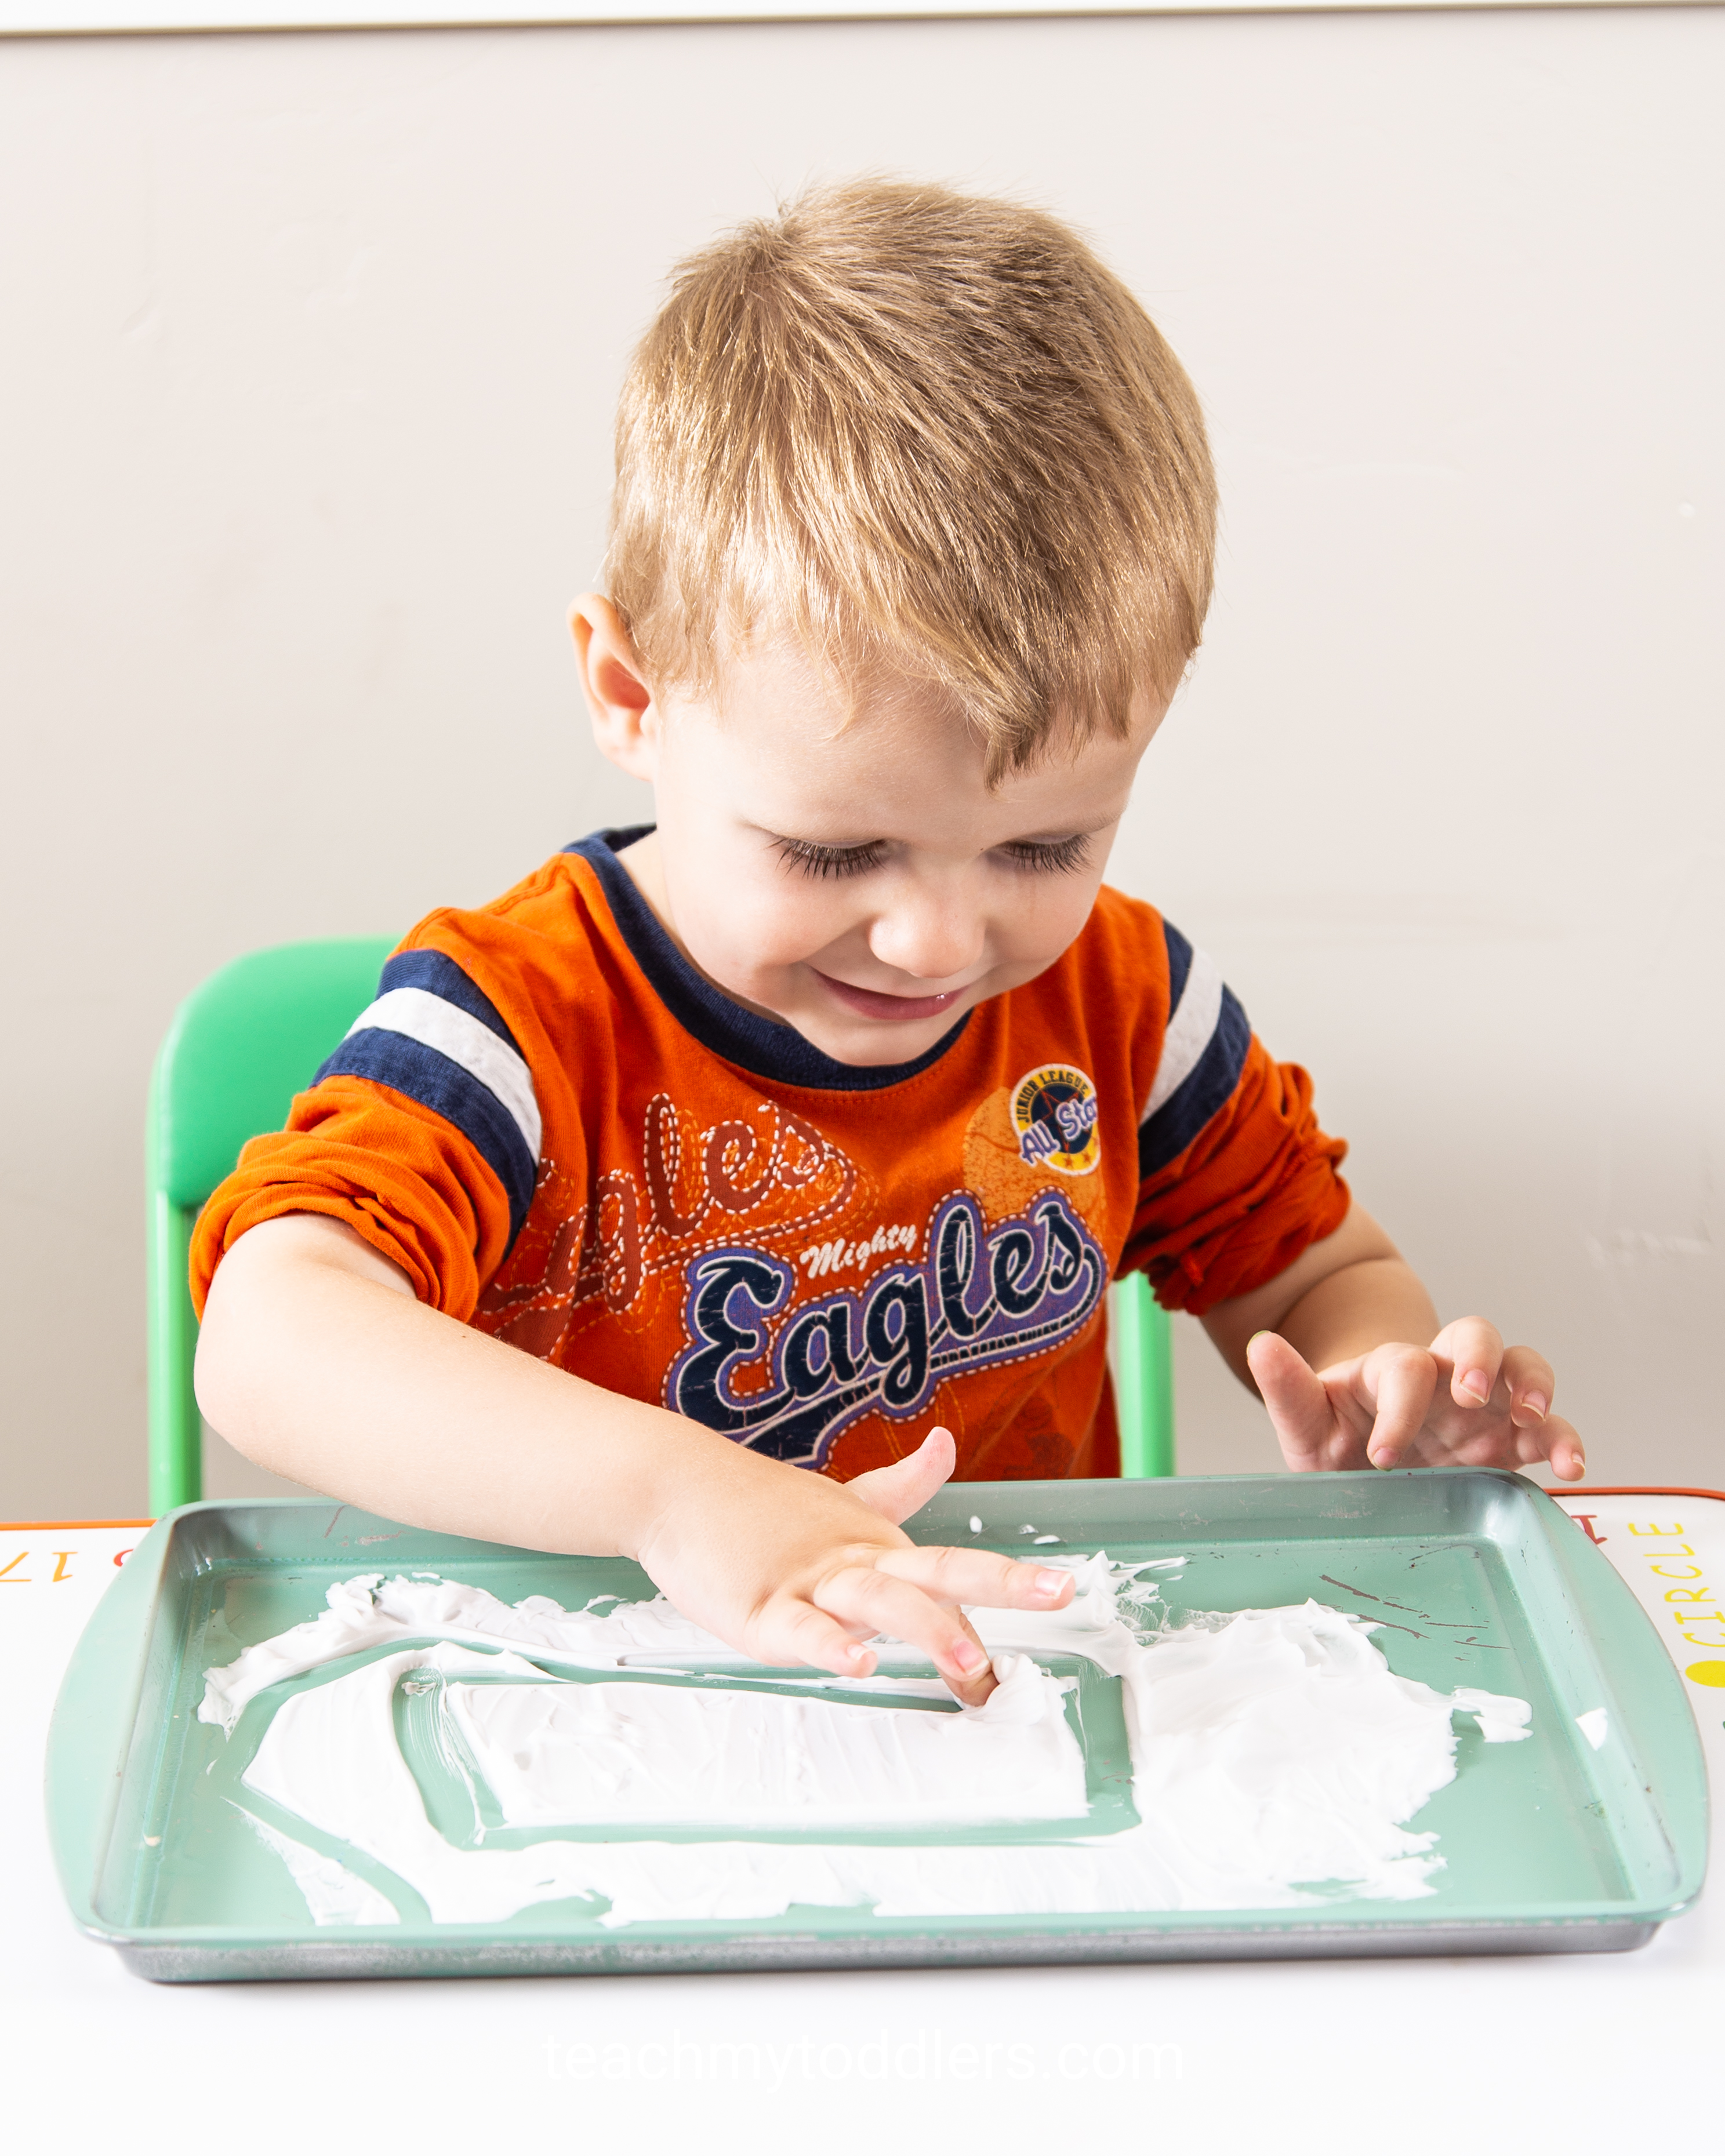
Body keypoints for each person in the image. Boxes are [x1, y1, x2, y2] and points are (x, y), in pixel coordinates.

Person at [190, 179, 1582, 1707]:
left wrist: (1385, 1394)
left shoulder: (1124, 1005)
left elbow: (1325, 1277)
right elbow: (272, 1334)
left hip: (1009, 1705)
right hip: (605, 1706)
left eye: (1044, 846)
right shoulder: (515, 1027)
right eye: (834, 849)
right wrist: (680, 1499)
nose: (935, 938)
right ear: (632, 694)